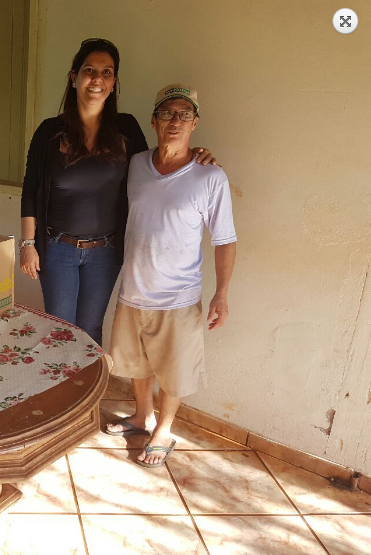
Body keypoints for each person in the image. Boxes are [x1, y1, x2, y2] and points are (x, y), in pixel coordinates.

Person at [19, 39, 215, 345]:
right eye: (90, 70)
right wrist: (28, 243)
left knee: (90, 327)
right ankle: (62, 389)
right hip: (57, 249)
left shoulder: (125, 129)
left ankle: (89, 392)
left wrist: (193, 156)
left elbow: (154, 168)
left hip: (107, 251)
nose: (97, 79)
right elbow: (30, 189)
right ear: (74, 77)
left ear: (113, 83)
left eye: (107, 72)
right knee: (59, 329)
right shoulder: (48, 132)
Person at [105, 84, 237, 468]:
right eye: (167, 113)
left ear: (195, 123)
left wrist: (222, 293)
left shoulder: (210, 177)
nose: (174, 121)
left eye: (184, 115)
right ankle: (141, 416)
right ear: (154, 120)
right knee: (136, 363)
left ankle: (163, 429)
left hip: (177, 296)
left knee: (175, 370)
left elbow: (225, 239)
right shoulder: (136, 164)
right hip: (133, 290)